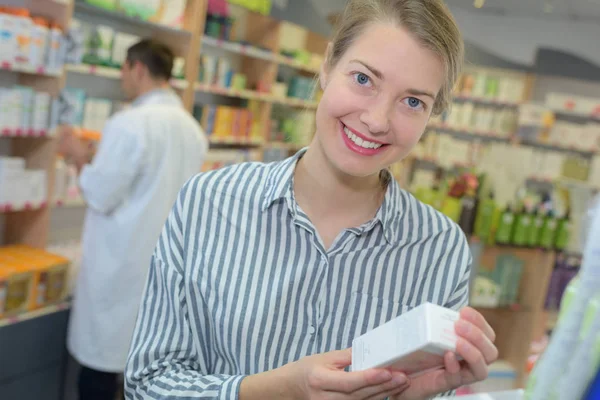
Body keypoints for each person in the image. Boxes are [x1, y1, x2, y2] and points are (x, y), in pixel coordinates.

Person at [125, 1, 498, 399]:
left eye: (413, 102)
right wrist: (276, 390)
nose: (377, 119)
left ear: (431, 115)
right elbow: (148, 384)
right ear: (327, 65)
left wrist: (410, 396)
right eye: (363, 78)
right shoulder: (208, 202)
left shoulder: (440, 250)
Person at [59, 39, 208, 400]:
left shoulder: (129, 123)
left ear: (137, 69)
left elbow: (99, 194)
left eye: (124, 70)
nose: (122, 78)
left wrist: (80, 157)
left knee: (98, 373)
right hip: (161, 269)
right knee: (140, 373)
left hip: (118, 270)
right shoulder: (191, 128)